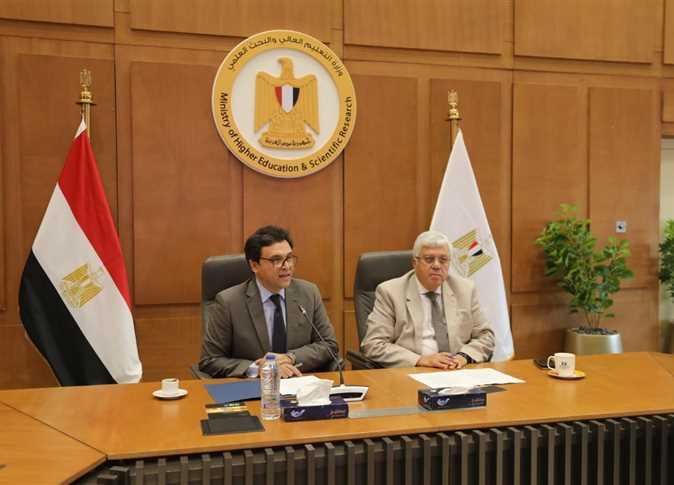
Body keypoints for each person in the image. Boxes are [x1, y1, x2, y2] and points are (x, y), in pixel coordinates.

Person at [199, 225, 339, 378]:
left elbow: (328, 344)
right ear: (254, 265)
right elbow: (210, 360)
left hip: (300, 383)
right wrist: (257, 368)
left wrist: (290, 357)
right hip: (254, 386)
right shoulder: (229, 302)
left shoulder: (308, 293)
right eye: (276, 260)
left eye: (289, 258)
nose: (287, 266)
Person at [361, 230, 494, 370]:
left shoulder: (465, 289)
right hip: (412, 370)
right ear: (415, 262)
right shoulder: (390, 292)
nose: (436, 265)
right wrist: (421, 360)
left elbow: (485, 336)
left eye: (443, 260)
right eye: (429, 259)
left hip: (457, 370)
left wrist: (463, 357)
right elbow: (373, 344)